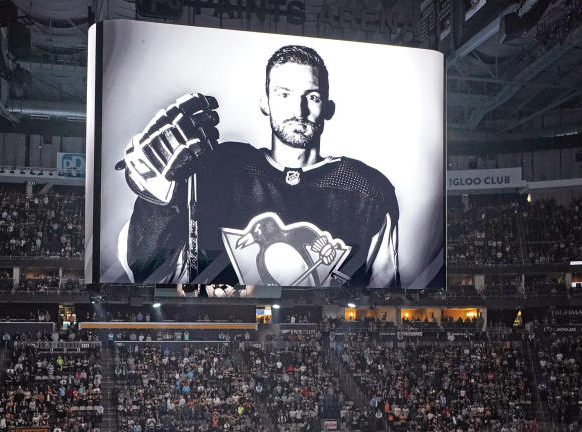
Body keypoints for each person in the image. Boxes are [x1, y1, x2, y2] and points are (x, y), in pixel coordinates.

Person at [117, 45, 399, 287]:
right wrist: (155, 200)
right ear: (265, 103)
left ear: (327, 108)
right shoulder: (220, 169)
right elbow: (149, 274)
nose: (297, 110)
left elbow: (384, 290)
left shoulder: (366, 190)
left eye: (311, 97)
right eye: (284, 94)